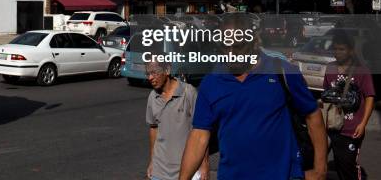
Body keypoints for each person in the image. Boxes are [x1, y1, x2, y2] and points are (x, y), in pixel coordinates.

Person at [178, 14, 328, 180]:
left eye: (237, 46)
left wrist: (320, 170)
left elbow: (313, 115)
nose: (230, 53)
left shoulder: (282, 71)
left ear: (254, 43)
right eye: (224, 46)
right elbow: (199, 135)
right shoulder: (211, 82)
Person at [323, 29, 376, 180]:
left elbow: (370, 97)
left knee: (348, 168)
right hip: (331, 127)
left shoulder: (362, 71)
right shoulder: (330, 68)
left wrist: (363, 124)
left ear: (351, 51)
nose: (337, 52)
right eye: (335, 48)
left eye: (342, 49)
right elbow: (327, 95)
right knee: (328, 165)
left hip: (351, 130)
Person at [146, 60, 209, 180]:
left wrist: (204, 164)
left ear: (167, 70)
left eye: (154, 73)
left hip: (188, 171)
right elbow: (153, 129)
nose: (150, 77)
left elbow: (201, 131)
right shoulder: (152, 97)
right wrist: (152, 161)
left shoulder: (188, 92)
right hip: (160, 172)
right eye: (148, 73)